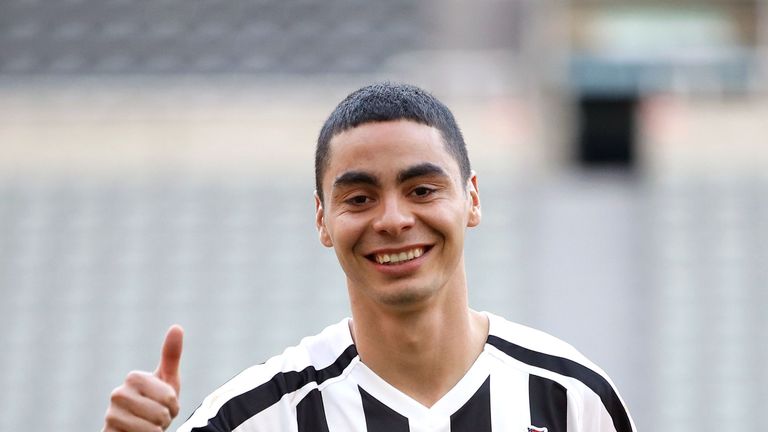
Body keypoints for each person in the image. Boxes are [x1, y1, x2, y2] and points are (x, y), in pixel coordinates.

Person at [103, 82, 635, 432]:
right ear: (322, 220)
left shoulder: (571, 401)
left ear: (472, 198)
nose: (392, 219)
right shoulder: (255, 417)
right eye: (359, 198)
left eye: (423, 190)